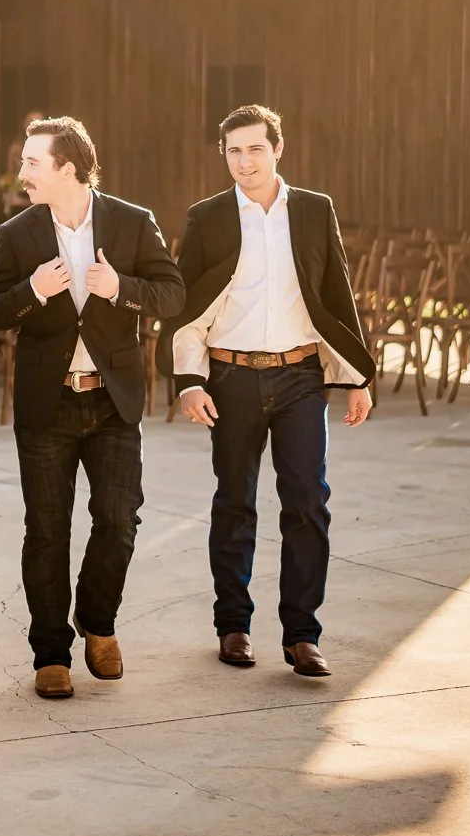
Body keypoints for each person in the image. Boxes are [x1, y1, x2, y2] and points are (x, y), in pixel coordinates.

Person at [0, 117, 184, 700]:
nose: (22, 174)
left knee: (119, 520)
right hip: (47, 404)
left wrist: (121, 288)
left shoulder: (133, 221)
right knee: (46, 530)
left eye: (32, 163)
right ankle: (50, 652)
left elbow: (173, 294)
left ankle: (97, 620)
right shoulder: (17, 232)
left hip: (113, 401)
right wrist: (33, 291)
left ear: (67, 168)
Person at [159, 105, 374, 678]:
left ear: (277, 149)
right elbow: (184, 307)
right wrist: (189, 382)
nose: (244, 161)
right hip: (230, 378)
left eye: (255, 148)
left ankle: (302, 635)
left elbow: (336, 293)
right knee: (235, 502)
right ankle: (233, 625)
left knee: (308, 503)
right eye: (234, 150)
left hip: (300, 377)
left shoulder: (313, 210)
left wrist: (356, 378)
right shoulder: (207, 218)